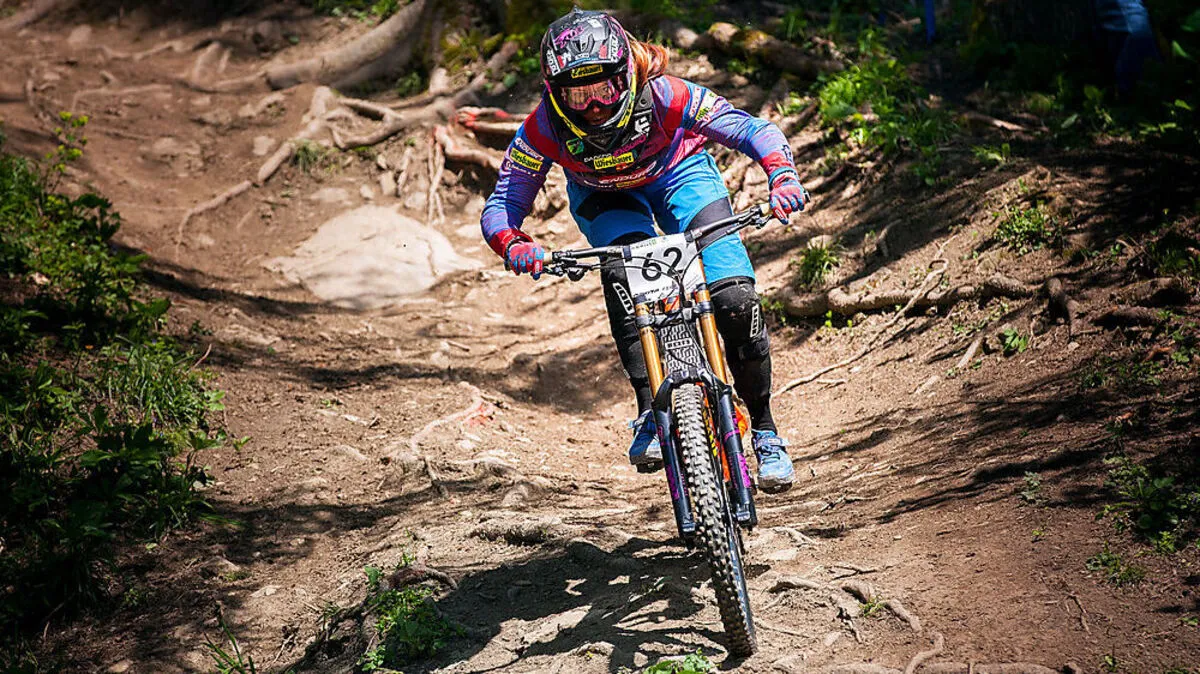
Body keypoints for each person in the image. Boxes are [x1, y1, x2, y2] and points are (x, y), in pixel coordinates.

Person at [479, 9, 810, 493]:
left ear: (626, 74)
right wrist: (513, 242)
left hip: (680, 175)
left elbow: (752, 129)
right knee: (623, 273)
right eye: (578, 94)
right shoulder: (543, 126)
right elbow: (502, 204)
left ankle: (764, 430)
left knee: (735, 299)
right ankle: (649, 413)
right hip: (605, 197)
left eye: (604, 89)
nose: (594, 106)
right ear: (554, 91)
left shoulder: (666, 94)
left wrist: (781, 175)